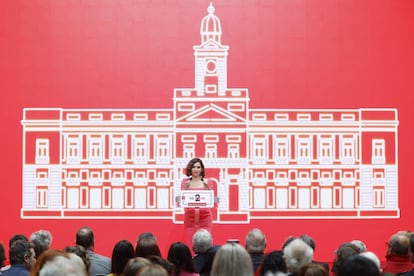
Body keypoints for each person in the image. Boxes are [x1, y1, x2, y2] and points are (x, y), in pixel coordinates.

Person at [180, 158, 215, 244]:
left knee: (205, 245)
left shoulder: (208, 182)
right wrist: (185, 189)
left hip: (205, 218)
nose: (196, 169)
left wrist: (207, 189)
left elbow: (213, 201)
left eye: (198, 167)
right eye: (194, 167)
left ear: (202, 169)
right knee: (190, 244)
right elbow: (181, 200)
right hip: (190, 218)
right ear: (190, 169)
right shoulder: (185, 182)